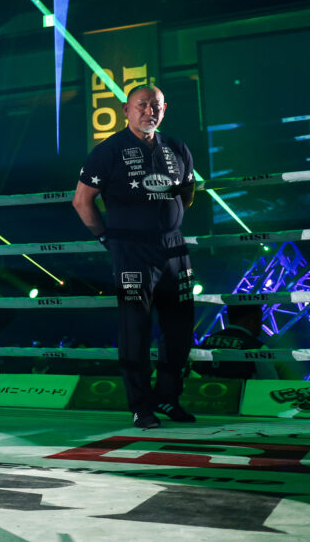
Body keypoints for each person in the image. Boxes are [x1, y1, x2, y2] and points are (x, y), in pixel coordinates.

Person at [72, 85, 196, 429]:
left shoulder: (178, 148)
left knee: (180, 329)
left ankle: (168, 397)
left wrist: (167, 220)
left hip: (174, 250)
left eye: (155, 106)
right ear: (126, 110)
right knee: (135, 330)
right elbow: (82, 201)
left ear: (164, 109)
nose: (148, 112)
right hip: (131, 251)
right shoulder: (108, 150)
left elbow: (186, 193)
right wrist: (106, 239)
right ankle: (141, 406)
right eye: (141, 105)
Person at [194, 305, 278, 380]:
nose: (261, 324)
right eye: (259, 320)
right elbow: (271, 383)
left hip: (205, 391)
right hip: (240, 392)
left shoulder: (207, 341)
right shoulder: (257, 348)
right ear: (250, 321)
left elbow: (194, 374)